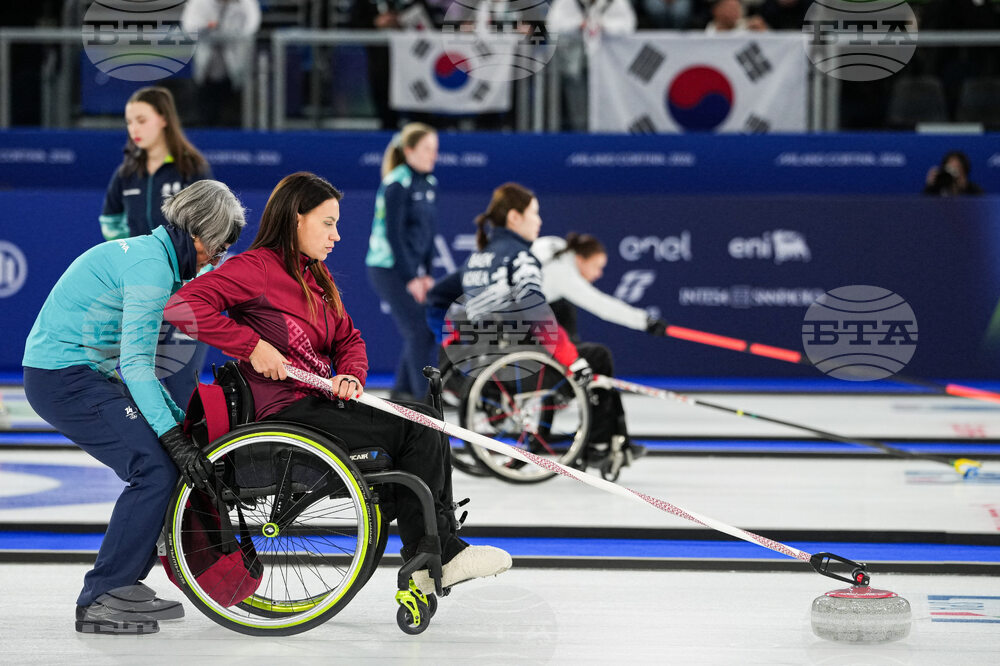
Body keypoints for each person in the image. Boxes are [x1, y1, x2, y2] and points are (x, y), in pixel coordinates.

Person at [163, 171, 511, 593]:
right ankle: (436, 552)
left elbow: (350, 339)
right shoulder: (254, 269)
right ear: (296, 219)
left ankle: (436, 548)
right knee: (417, 425)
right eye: (328, 223)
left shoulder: (316, 279)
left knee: (425, 418)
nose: (337, 236)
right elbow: (182, 306)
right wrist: (251, 345)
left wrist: (350, 372)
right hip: (284, 416)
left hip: (318, 406)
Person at [23, 180, 247, 636]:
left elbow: (134, 371)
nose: (217, 258)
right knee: (156, 468)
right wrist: (173, 438)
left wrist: (177, 428)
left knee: (165, 461)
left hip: (81, 373)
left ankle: (122, 582)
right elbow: (137, 365)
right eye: (218, 245)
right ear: (196, 231)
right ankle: (102, 595)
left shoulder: (155, 257)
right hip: (62, 378)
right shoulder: (151, 269)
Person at [457, 183, 643, 469]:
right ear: (515, 217)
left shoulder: (481, 256)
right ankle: (599, 442)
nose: (540, 221)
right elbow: (541, 316)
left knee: (564, 325)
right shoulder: (524, 258)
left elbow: (440, 299)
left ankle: (607, 436)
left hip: (484, 356)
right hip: (518, 365)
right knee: (596, 357)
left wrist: (453, 346)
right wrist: (573, 361)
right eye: (535, 213)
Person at [99, 86, 215, 409]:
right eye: (128, 122)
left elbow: (210, 229)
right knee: (138, 383)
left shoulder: (192, 169)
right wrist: (130, 264)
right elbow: (111, 223)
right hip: (141, 293)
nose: (133, 129)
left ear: (163, 119)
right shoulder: (126, 173)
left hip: (185, 295)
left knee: (181, 387)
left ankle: (196, 457)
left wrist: (196, 281)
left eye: (141, 120)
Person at [365, 123, 441, 402]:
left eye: (435, 150)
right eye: (427, 149)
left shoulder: (430, 183)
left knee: (421, 330)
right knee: (420, 330)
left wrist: (427, 274)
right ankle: (424, 403)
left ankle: (401, 396)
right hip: (387, 268)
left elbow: (429, 234)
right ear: (409, 151)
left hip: (412, 271)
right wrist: (412, 278)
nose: (433, 155)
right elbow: (395, 236)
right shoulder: (397, 183)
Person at [531, 232, 668, 343]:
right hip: (515, 315)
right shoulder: (565, 276)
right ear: (580, 259)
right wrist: (645, 322)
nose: (599, 274)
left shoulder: (555, 243)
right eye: (597, 267)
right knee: (565, 308)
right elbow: (603, 306)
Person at [181, 0, 261, 127]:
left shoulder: (246, 3)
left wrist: (227, 35)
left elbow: (251, 28)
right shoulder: (199, 2)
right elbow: (189, 28)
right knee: (206, 103)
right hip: (208, 58)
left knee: (233, 107)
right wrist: (207, 27)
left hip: (236, 58)